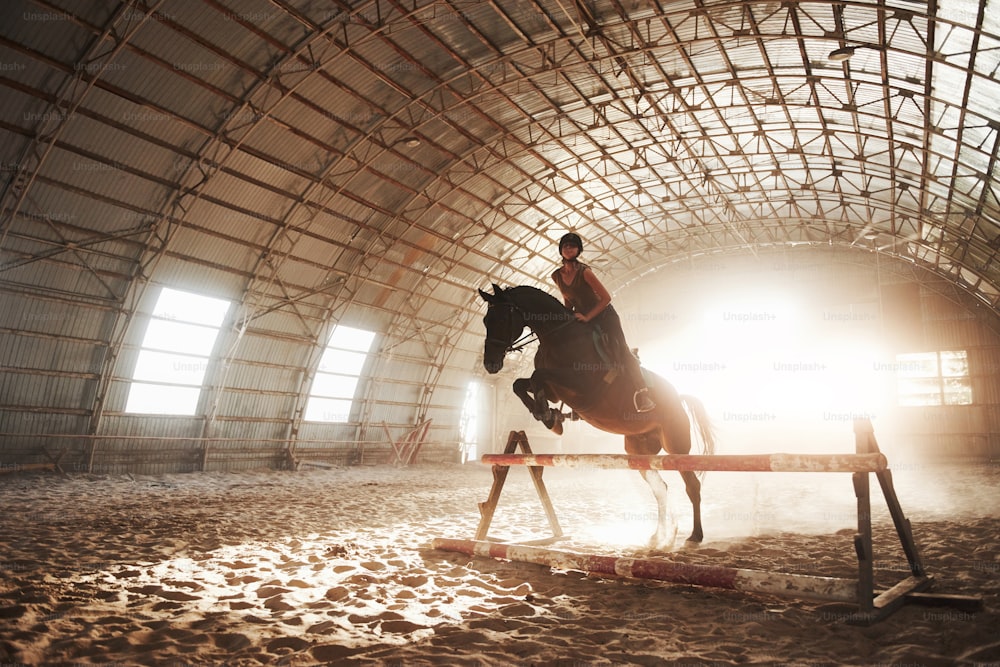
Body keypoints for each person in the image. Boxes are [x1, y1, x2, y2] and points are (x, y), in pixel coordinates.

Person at [550, 232, 656, 413]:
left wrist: (588, 317)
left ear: (578, 250)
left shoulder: (585, 272)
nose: (568, 248)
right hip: (581, 317)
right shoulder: (556, 276)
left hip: (605, 316)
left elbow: (606, 298)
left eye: (572, 246)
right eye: (565, 246)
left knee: (621, 351)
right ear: (561, 250)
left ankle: (643, 392)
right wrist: (566, 317)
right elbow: (567, 299)